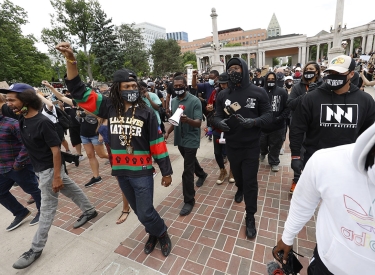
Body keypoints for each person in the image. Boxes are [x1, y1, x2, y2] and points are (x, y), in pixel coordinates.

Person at [56, 42, 173, 257]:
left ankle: (162, 232)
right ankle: (153, 232)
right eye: (126, 86)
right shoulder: (108, 106)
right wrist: (71, 60)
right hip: (121, 170)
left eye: (133, 86)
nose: (131, 90)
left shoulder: (146, 113)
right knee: (139, 211)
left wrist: (166, 171)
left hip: (142, 171)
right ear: (117, 88)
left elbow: (158, 144)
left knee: (146, 211)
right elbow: (79, 92)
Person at [0, 83, 97, 269]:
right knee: (72, 190)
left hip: (49, 170)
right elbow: (30, 146)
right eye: (7, 99)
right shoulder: (23, 119)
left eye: (12, 100)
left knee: (46, 210)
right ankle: (90, 210)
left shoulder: (42, 122)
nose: (8, 103)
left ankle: (35, 249)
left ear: (26, 101)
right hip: (40, 169)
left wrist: (57, 177)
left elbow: (55, 150)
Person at [273, 121, 375, 275]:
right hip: (327, 266)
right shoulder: (327, 161)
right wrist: (287, 237)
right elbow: (303, 202)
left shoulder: (364, 101)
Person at [289, 55, 375, 194]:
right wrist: (296, 156)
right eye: (331, 73)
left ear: (351, 74)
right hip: (315, 161)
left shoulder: (365, 100)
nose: (334, 77)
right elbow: (297, 128)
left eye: (339, 74)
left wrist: (367, 159)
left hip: (349, 164)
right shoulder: (311, 97)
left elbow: (369, 134)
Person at [213, 57, 272, 239]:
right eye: (230, 69)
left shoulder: (259, 92)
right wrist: (219, 123)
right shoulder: (223, 94)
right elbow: (214, 116)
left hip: (251, 145)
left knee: (250, 182)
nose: (233, 72)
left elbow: (269, 116)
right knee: (238, 177)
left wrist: (253, 122)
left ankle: (250, 216)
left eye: (237, 68)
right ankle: (239, 187)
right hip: (232, 145)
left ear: (244, 70)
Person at [164, 75, 207, 216]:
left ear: (185, 86)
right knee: (191, 161)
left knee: (187, 170)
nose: (177, 88)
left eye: (179, 86)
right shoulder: (175, 101)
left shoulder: (194, 101)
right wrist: (168, 132)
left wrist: (187, 120)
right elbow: (175, 119)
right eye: (175, 86)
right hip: (180, 138)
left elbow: (198, 122)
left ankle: (189, 200)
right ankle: (201, 173)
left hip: (191, 138)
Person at [0, 94, 41, 231]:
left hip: (18, 166)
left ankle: (43, 211)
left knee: (33, 189)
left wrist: (18, 163)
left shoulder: (12, 123)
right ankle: (20, 212)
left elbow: (27, 144)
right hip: (2, 168)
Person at [287, 61, 324, 193]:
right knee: (298, 153)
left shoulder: (324, 86)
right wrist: (307, 95)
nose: (308, 71)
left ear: (317, 72)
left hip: (317, 126)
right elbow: (290, 104)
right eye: (306, 69)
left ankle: (313, 182)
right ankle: (297, 179)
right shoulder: (298, 87)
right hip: (299, 125)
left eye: (311, 69)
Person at [206, 72, 234, 184]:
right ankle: (222, 171)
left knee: (231, 152)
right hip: (217, 127)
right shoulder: (215, 92)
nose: (223, 86)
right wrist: (209, 108)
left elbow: (237, 106)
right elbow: (208, 105)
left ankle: (232, 171)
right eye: (221, 83)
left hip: (230, 127)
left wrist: (224, 112)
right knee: (217, 153)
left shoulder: (235, 93)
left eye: (225, 83)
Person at [259, 72, 289, 172]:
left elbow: (287, 107)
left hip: (278, 126)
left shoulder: (282, 92)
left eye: (273, 79)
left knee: (275, 146)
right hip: (263, 126)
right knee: (262, 143)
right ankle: (263, 152)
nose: (270, 81)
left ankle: (274, 162)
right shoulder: (260, 91)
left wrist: (279, 118)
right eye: (269, 79)